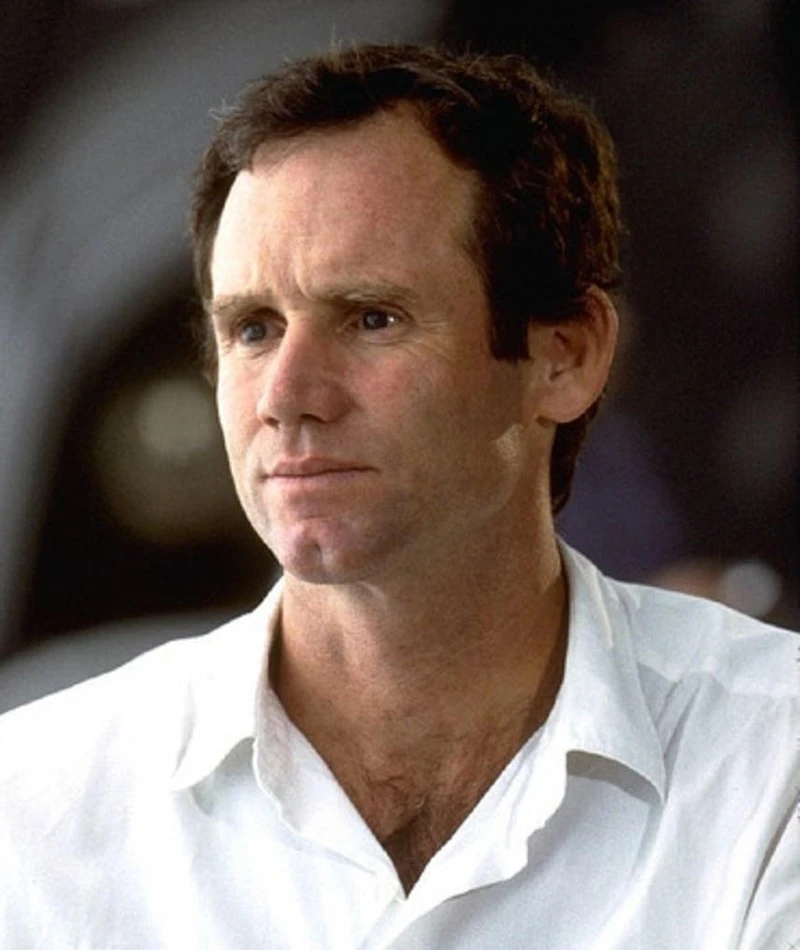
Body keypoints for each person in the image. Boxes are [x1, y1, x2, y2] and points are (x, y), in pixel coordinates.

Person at [1, 44, 797, 949]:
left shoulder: (772, 762)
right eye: (253, 329)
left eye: (372, 319)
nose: (286, 395)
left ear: (566, 357)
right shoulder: (39, 810)